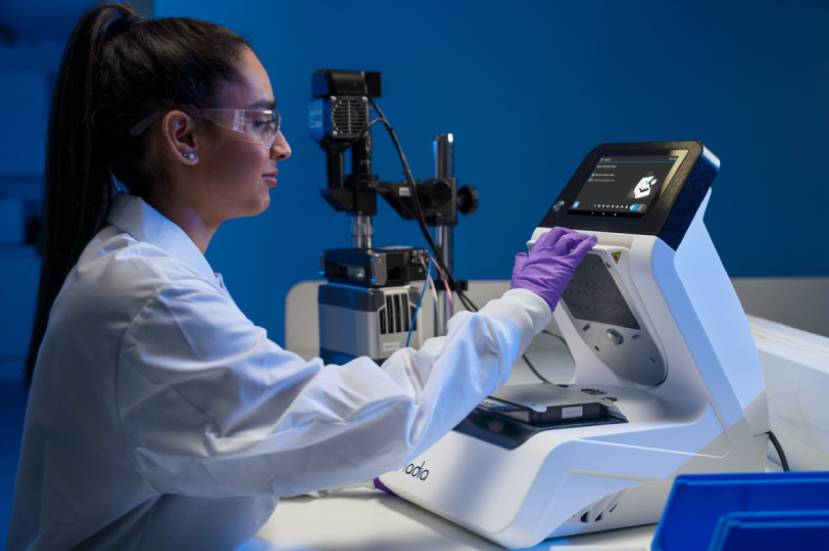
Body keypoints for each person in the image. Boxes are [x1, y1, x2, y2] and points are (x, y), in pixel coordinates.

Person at [7, 4, 597, 550]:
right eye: (261, 121)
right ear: (183, 137)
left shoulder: (137, 266)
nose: (284, 147)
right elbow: (360, 416)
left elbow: (241, 435)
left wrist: (338, 457)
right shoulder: (151, 299)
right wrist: (520, 308)